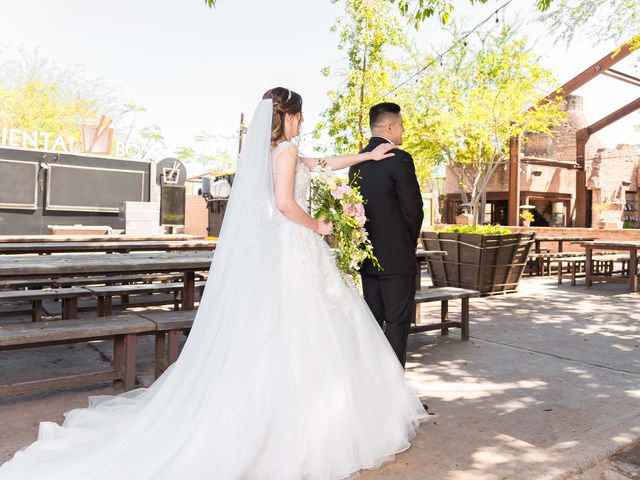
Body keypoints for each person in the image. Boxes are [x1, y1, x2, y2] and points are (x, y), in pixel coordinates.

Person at [0, 88, 425, 480]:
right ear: (289, 117)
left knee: (276, 331)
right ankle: (294, 426)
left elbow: (323, 164)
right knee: (300, 328)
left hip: (284, 252)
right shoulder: (287, 151)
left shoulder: (270, 152)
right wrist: (317, 224)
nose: (302, 122)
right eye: (300, 115)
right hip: (295, 246)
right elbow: (283, 203)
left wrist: (366, 158)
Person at [348, 103, 424, 368]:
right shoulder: (399, 158)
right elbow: (413, 210)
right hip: (396, 259)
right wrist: (407, 244)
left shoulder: (357, 163)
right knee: (397, 325)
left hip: (368, 260)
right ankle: (396, 398)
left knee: (372, 325)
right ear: (390, 126)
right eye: (401, 125)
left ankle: (372, 391)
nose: (403, 130)